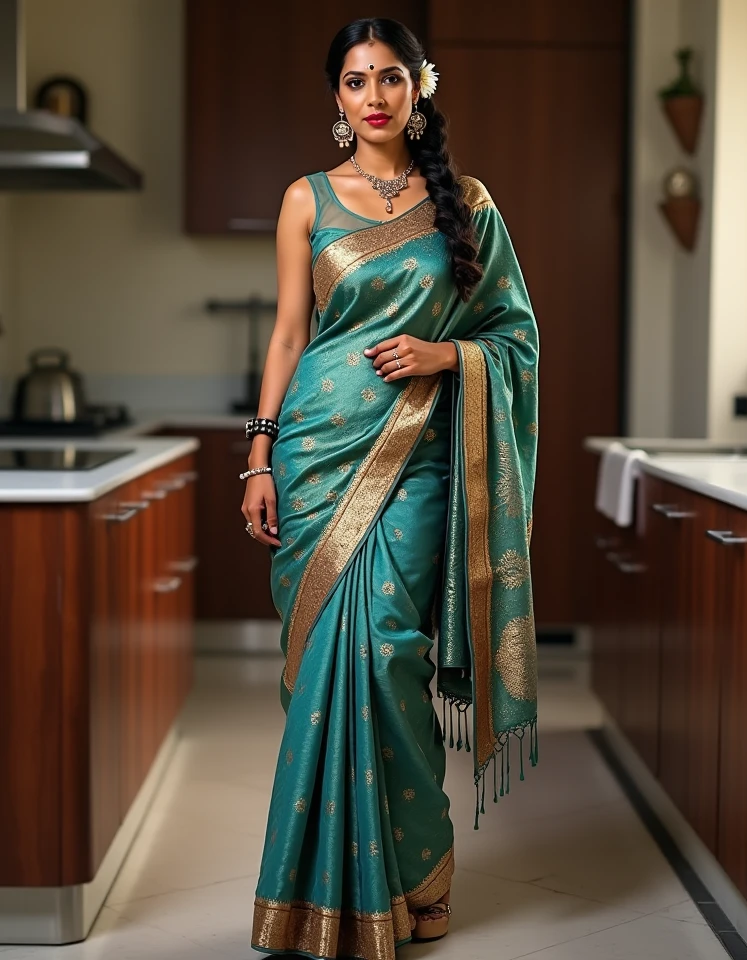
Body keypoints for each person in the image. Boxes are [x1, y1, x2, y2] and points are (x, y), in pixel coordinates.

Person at [241, 17, 539, 960]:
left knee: (386, 656)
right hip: (315, 455)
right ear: (337, 97)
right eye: (357, 80)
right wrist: (258, 454)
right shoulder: (305, 199)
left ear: (421, 88)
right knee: (324, 667)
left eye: (392, 78)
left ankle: (418, 871)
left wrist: (445, 352)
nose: (375, 95)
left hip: (417, 457)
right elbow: (289, 335)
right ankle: (316, 893)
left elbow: (515, 337)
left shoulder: (468, 204)